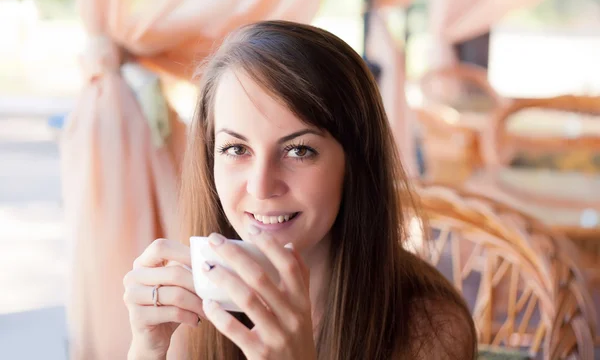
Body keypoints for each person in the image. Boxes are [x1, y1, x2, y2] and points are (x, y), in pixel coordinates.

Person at [123, 20, 477, 360]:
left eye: (299, 150)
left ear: (355, 164)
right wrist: (146, 351)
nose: (261, 187)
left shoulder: (430, 329)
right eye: (236, 149)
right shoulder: (190, 307)